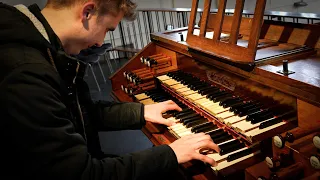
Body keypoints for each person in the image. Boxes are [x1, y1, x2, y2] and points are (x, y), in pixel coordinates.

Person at [0, 0, 220, 179]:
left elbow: (81, 112)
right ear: (88, 11)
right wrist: (170, 153)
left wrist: (140, 112)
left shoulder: (41, 48)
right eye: (107, 29)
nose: (100, 42)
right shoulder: (27, 72)